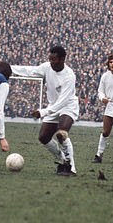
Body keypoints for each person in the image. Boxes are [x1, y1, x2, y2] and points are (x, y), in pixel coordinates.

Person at [12, 46, 79, 176]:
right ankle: (61, 160)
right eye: (50, 59)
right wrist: (11, 69)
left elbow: (62, 101)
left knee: (61, 134)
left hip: (68, 106)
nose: (52, 62)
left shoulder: (69, 76)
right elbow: (30, 71)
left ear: (63, 59)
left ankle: (70, 168)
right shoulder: (47, 67)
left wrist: (43, 112)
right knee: (43, 137)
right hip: (53, 106)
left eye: (55, 60)